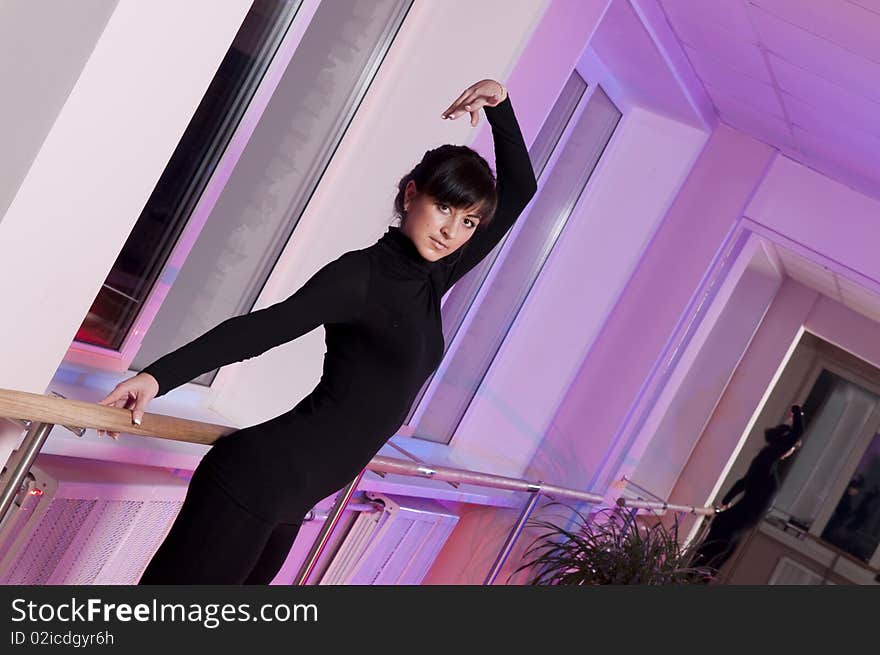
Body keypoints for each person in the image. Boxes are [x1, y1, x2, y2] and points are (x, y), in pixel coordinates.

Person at [96, 78, 538, 584]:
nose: (450, 231)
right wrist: (156, 378)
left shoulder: (434, 277)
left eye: (467, 221)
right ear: (412, 194)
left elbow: (520, 190)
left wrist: (501, 106)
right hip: (251, 483)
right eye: (443, 208)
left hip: (290, 500)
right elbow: (262, 329)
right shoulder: (359, 277)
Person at [692, 405, 805, 576]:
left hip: (735, 525)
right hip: (733, 524)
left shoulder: (766, 460)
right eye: (791, 448)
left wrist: (725, 501)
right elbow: (797, 432)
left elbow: (743, 482)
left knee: (708, 567)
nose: (790, 451)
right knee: (703, 568)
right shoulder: (768, 458)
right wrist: (797, 412)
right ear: (785, 445)